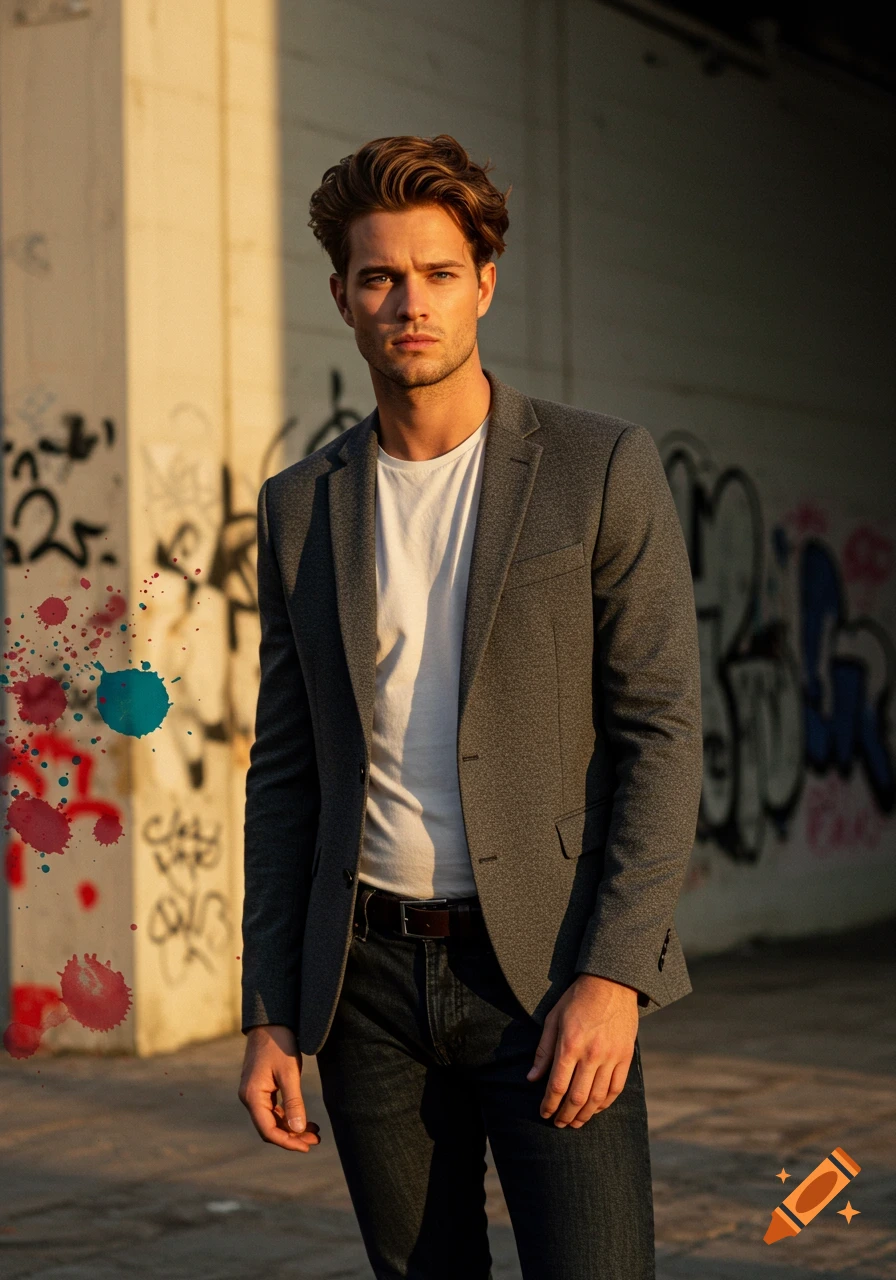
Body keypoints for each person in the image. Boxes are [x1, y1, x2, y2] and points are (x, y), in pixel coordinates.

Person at [237, 133, 703, 1280]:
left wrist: (614, 974)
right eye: (380, 277)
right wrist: (268, 1007)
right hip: (368, 986)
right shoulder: (301, 506)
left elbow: (661, 731)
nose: (410, 303)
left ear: (483, 283)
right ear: (343, 296)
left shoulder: (598, 468)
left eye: (438, 273)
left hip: (546, 972)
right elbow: (286, 770)